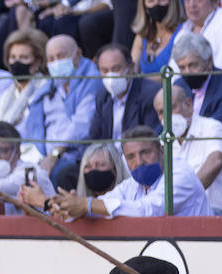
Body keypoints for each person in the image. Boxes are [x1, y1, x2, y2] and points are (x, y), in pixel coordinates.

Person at [52, 125, 211, 217]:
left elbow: (147, 210)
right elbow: (106, 204)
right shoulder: (134, 183)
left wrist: (86, 204)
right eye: (131, 157)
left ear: (162, 151)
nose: (139, 162)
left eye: (145, 153)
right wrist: (65, 205)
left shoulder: (180, 174)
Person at [157, 82, 222, 213]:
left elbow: (215, 163)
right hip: (182, 214)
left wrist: (183, 199)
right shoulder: (163, 141)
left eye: (171, 108)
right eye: (161, 112)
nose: (167, 117)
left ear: (189, 105)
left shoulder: (212, 127)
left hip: (216, 213)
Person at [37, 35, 98, 171]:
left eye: (61, 56)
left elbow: (82, 124)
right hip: (45, 155)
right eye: (51, 59)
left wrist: (55, 154)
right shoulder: (51, 86)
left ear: (78, 54)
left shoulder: (92, 81)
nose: (56, 63)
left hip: (76, 156)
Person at [173, 32, 222, 125]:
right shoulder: (179, 85)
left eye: (193, 65)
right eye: (182, 67)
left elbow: (217, 126)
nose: (188, 72)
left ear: (209, 62)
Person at [131, 0, 187, 73]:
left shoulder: (183, 31)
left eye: (162, 0)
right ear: (144, 7)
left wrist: (140, 80)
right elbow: (132, 70)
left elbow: (172, 74)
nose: (157, 4)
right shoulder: (142, 35)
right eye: (151, 1)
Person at [184, 0, 222, 70]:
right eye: (187, 0)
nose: (191, 5)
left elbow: (220, 72)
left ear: (215, 2)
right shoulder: (184, 28)